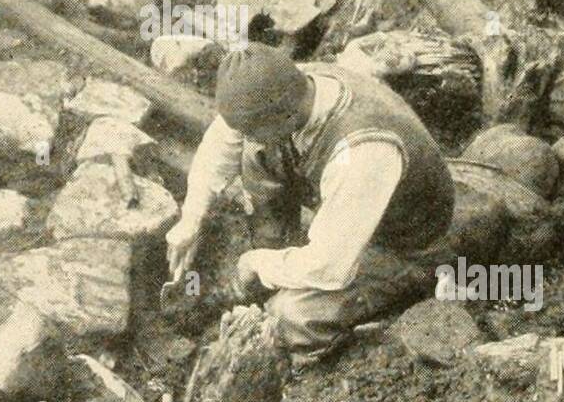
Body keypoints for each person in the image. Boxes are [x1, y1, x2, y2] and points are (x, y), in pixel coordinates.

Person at [166, 41, 456, 361]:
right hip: (352, 216)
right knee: (255, 153)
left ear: (285, 115)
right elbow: (224, 138)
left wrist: (255, 263)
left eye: (252, 129)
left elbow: (328, 268)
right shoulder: (290, 84)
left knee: (285, 316)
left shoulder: (363, 151)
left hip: (405, 243)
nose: (245, 137)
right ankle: (277, 259)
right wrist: (190, 218)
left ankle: (292, 294)